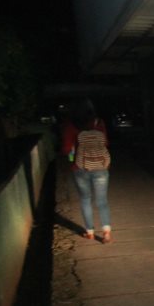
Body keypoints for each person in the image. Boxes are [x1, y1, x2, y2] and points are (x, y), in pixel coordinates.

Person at [62, 100, 113, 242]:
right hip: (100, 166)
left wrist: (72, 155)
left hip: (79, 167)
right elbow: (105, 143)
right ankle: (106, 232)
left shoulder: (70, 125)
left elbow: (67, 149)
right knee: (102, 201)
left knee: (85, 199)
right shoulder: (99, 123)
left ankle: (90, 232)